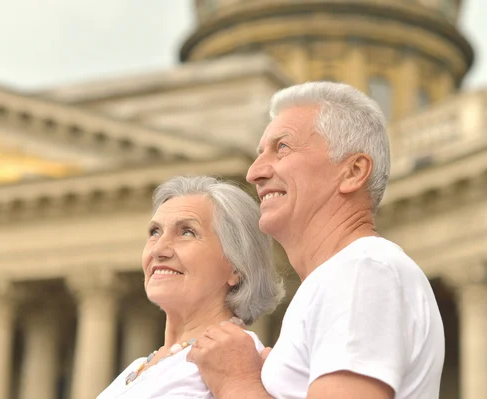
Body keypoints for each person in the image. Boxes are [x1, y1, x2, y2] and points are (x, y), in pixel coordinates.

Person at [187, 82, 446, 399]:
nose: (254, 172)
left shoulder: (360, 272)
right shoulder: (348, 275)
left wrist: (236, 381)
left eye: (282, 147)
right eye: (260, 154)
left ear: (353, 171)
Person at [97, 175, 285, 398]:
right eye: (154, 232)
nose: (159, 249)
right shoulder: (137, 367)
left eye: (187, 232)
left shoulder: (237, 357)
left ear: (237, 266)